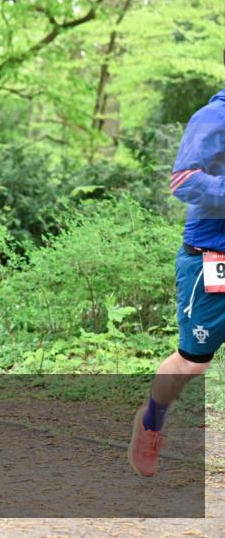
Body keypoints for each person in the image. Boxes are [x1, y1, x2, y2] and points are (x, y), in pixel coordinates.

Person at [129, 80, 225, 477]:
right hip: (211, 261)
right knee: (191, 364)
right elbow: (182, 179)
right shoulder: (213, 117)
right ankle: (151, 422)